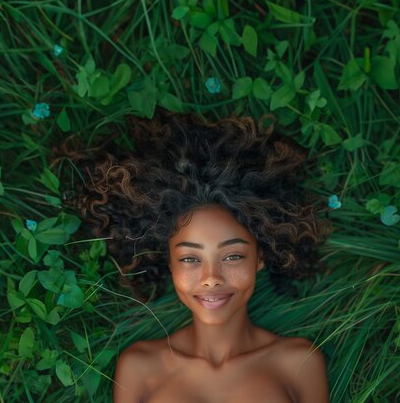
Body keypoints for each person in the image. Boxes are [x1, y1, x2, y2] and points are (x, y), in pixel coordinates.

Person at [63, 110, 330, 403]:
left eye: (232, 256)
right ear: (169, 262)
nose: (211, 278)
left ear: (260, 257)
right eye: (190, 259)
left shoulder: (298, 364)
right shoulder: (139, 367)